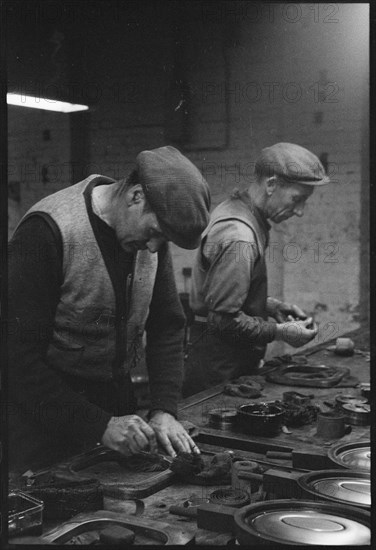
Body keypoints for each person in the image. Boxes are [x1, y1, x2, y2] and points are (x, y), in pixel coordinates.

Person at [8, 145, 211, 473]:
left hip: (115, 407)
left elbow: (167, 324)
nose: (155, 247)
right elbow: (14, 358)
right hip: (43, 420)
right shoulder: (47, 232)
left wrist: (163, 408)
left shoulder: (150, 240)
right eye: (156, 232)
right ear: (135, 196)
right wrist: (98, 425)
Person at [183, 142, 329, 397]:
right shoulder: (239, 235)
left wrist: (271, 307)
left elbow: (222, 293)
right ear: (271, 184)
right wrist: (281, 332)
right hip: (217, 366)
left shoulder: (244, 211)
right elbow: (222, 320)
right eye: (297, 199)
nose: (300, 211)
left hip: (225, 358)